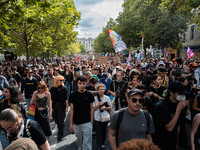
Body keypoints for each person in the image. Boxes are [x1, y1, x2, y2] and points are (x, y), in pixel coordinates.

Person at [153, 81, 189, 150]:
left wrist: (177, 143)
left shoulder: (179, 105)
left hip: (172, 143)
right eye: (179, 93)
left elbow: (178, 126)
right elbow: (169, 128)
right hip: (161, 143)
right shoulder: (161, 106)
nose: (182, 95)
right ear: (171, 93)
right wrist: (178, 111)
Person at [69, 75, 94, 150]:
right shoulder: (73, 95)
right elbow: (71, 110)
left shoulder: (89, 95)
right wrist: (70, 124)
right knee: (79, 143)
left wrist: (91, 121)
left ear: (86, 83)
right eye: (80, 83)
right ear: (77, 84)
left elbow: (91, 108)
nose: (82, 85)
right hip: (76, 123)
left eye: (83, 83)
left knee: (87, 143)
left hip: (87, 122)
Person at [50, 75, 68, 142]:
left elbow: (66, 99)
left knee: (61, 121)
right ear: (57, 81)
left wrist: (66, 107)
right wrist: (51, 108)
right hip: (54, 106)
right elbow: (51, 100)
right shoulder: (52, 89)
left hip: (61, 106)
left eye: (62, 80)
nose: (62, 81)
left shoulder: (64, 89)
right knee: (56, 120)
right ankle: (61, 126)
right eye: (60, 80)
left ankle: (60, 134)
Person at [93, 83, 111, 149]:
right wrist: (98, 105)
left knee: (104, 132)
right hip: (97, 118)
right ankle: (98, 145)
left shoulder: (107, 98)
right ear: (97, 90)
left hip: (105, 118)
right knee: (98, 133)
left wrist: (105, 108)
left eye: (103, 89)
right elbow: (93, 109)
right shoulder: (94, 98)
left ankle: (103, 142)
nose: (101, 91)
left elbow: (110, 107)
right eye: (100, 89)